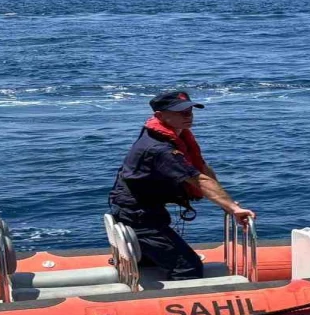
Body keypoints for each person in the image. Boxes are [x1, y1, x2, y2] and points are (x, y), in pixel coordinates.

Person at [108, 91, 255, 280]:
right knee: (187, 268)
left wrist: (228, 204)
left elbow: (201, 168)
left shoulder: (175, 135)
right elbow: (198, 179)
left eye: (189, 110)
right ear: (160, 116)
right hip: (139, 217)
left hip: (145, 210)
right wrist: (233, 208)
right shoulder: (159, 149)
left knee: (152, 263)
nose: (188, 115)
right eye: (181, 112)